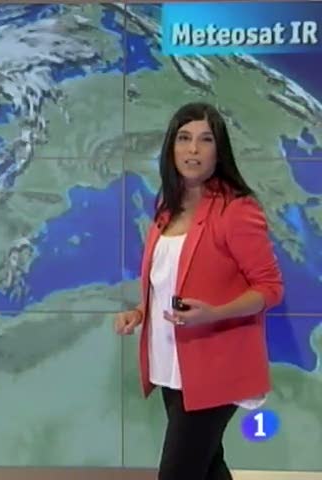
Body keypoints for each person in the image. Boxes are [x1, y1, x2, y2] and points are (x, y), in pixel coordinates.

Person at [114, 102, 284, 480]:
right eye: (184, 138)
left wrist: (215, 313)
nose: (193, 149)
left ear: (218, 152)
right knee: (207, 467)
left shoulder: (236, 209)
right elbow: (165, 281)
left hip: (214, 367)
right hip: (170, 364)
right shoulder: (166, 209)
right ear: (171, 148)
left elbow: (270, 288)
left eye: (205, 140)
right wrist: (139, 313)